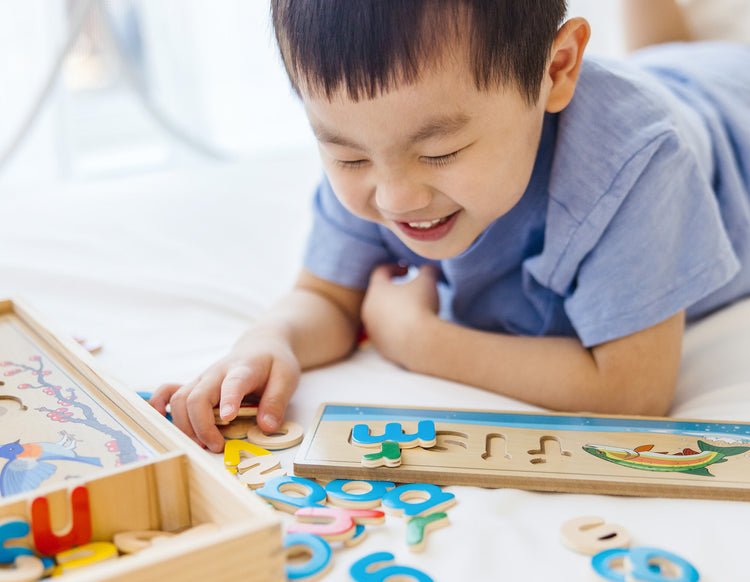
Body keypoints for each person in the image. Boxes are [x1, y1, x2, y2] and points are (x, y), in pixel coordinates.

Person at [152, 0, 750, 453]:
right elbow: (327, 298)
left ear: (557, 69)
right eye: (348, 157)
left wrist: (420, 341)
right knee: (659, 59)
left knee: (672, 66)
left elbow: (631, 394)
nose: (396, 196)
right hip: (665, 74)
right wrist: (269, 341)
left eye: (439, 154)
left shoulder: (635, 163)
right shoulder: (383, 135)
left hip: (730, 104)